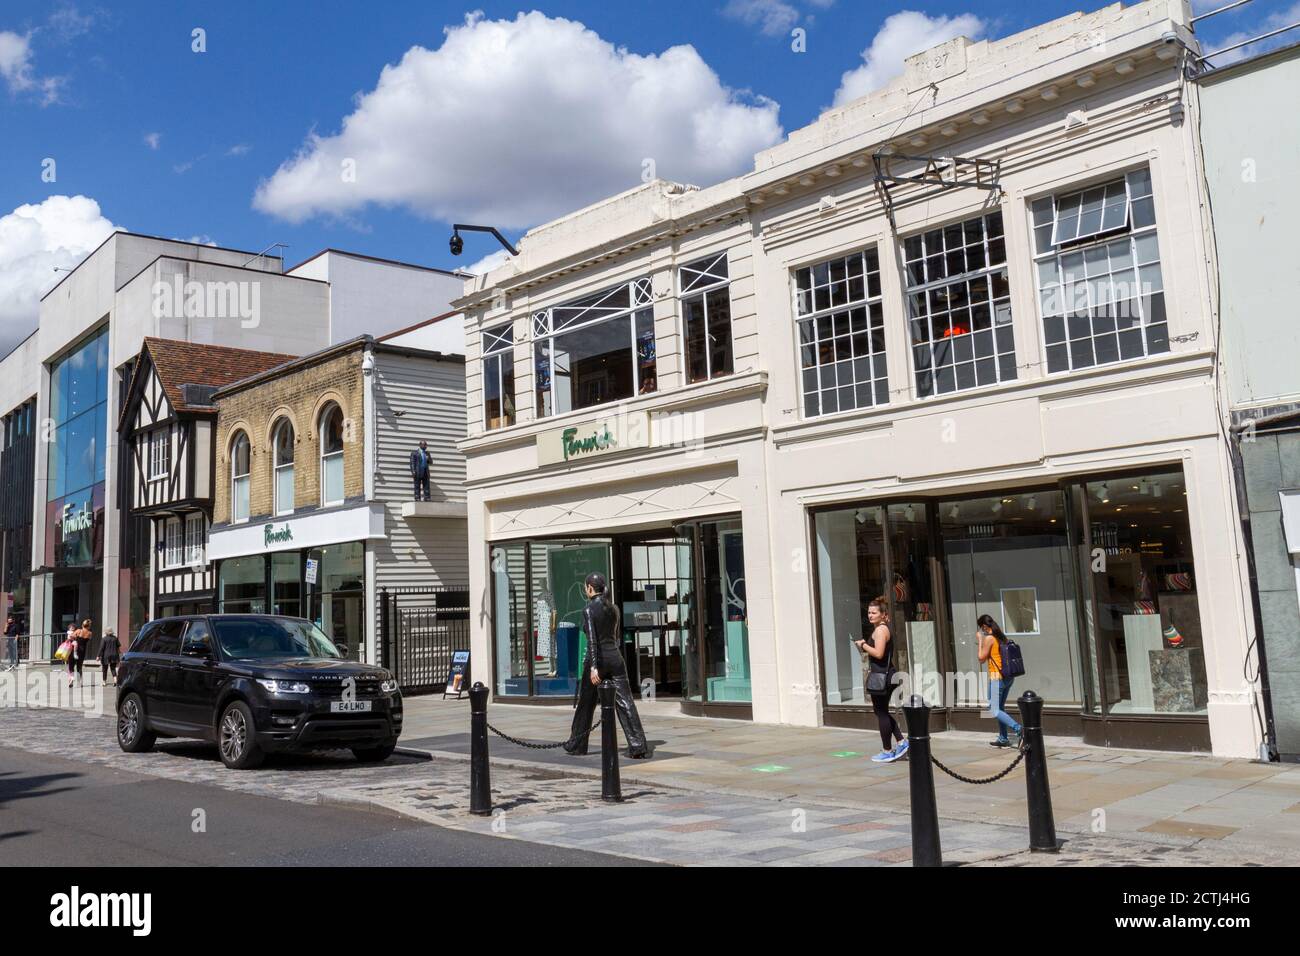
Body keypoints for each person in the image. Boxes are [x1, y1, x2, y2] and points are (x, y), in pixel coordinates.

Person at [564, 572, 651, 759]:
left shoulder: (588, 610)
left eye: (585, 587)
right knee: (625, 702)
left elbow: (593, 641)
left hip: (599, 661)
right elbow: (616, 637)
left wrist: (594, 667)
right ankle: (638, 745)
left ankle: (577, 744)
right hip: (616, 659)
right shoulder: (615, 608)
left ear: (589, 588)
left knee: (586, 704)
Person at [856, 595, 908, 763]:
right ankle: (901, 742)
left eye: (874, 613)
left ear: (883, 614)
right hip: (886, 674)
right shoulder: (882, 628)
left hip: (882, 676)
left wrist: (863, 645)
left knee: (881, 713)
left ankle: (888, 750)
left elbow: (878, 653)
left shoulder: (880, 630)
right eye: (869, 612)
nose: (870, 615)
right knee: (882, 712)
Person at [977, 614, 1022, 748]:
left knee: (994, 710)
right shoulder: (1001, 636)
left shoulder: (989, 638)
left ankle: (1019, 729)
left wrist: (980, 640)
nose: (981, 631)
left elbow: (981, 658)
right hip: (1008, 677)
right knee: (1000, 708)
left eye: (981, 628)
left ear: (984, 626)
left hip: (997, 678)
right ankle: (1003, 738)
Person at [67, 619, 90, 687]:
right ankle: (80, 682)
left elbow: (70, 637)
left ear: (82, 625)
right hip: (82, 652)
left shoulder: (77, 631)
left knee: (71, 667)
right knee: (79, 667)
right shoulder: (89, 633)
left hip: (73, 651)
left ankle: (71, 681)